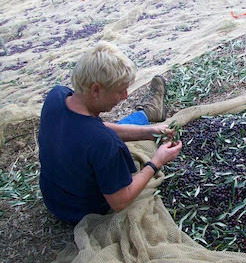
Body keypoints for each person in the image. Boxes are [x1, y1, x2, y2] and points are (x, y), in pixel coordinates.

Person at [38, 42, 182, 225]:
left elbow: (91, 128)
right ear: (96, 90)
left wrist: (149, 132)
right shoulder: (105, 143)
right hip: (82, 211)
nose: (125, 96)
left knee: (102, 134)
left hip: (54, 199)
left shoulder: (57, 96)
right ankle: (147, 113)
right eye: (120, 91)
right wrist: (156, 162)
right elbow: (120, 201)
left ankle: (147, 115)